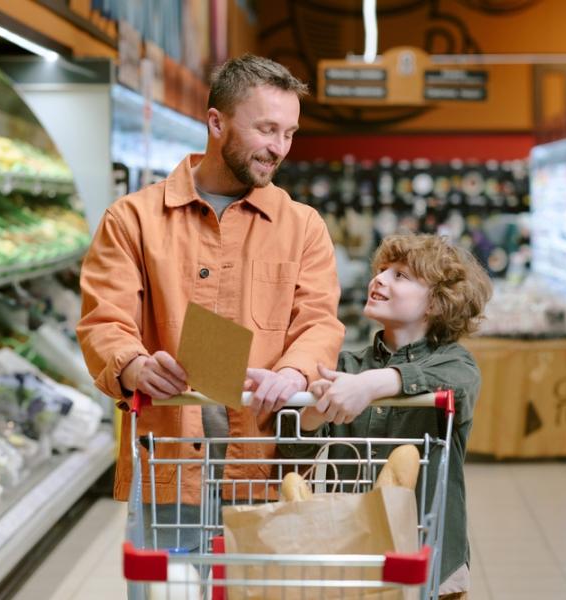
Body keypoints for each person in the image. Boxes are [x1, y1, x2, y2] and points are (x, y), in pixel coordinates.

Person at [76, 55, 344, 550]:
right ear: (216, 122)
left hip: (267, 466)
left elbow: (320, 323)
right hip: (172, 462)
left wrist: (296, 371)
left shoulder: (302, 226)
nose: (279, 148)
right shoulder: (132, 220)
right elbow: (103, 320)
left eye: (289, 133)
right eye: (266, 129)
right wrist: (133, 365)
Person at [279, 234, 492, 600]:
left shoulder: (456, 363)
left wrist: (375, 384)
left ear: (438, 303)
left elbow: (459, 385)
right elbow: (293, 455)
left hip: (432, 557)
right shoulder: (345, 365)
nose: (379, 279)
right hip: (354, 552)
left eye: (400, 276)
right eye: (381, 271)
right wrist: (314, 413)